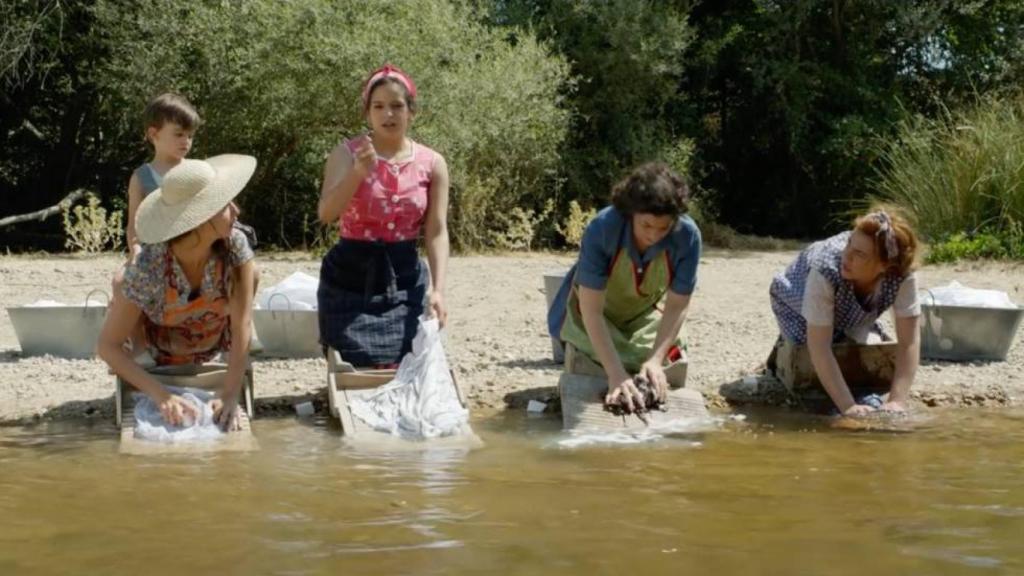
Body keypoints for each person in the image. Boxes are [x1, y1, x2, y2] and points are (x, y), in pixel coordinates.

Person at [97, 155, 258, 431]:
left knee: (254, 272)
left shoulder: (235, 245)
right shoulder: (149, 265)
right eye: (225, 205)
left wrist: (229, 394)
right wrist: (161, 395)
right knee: (122, 282)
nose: (236, 211)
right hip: (160, 353)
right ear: (199, 218)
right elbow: (106, 347)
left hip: (216, 343)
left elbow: (242, 324)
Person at [317, 64, 450, 367]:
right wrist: (358, 173)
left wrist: (438, 290)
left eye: (396, 106)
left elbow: (437, 231)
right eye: (378, 106)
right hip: (348, 275)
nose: (387, 114)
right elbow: (326, 213)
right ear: (367, 113)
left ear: (411, 112)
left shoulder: (432, 163)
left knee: (407, 361)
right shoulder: (346, 154)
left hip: (404, 275)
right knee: (353, 362)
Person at [547, 162, 701, 412]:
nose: (654, 236)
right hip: (591, 316)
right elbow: (591, 311)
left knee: (664, 357)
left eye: (664, 228)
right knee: (604, 361)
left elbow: (677, 306)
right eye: (646, 226)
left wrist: (654, 360)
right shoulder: (603, 229)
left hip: (644, 315)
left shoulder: (688, 236)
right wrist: (616, 374)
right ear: (631, 214)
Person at [768, 207, 921, 416]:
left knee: (868, 349)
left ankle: (836, 330)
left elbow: (909, 341)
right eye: (850, 243)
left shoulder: (902, 275)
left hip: (850, 308)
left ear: (884, 266)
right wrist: (848, 407)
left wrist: (897, 402)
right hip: (795, 297)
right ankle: (781, 350)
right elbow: (820, 346)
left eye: (859, 254)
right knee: (809, 349)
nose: (846, 256)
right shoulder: (826, 267)